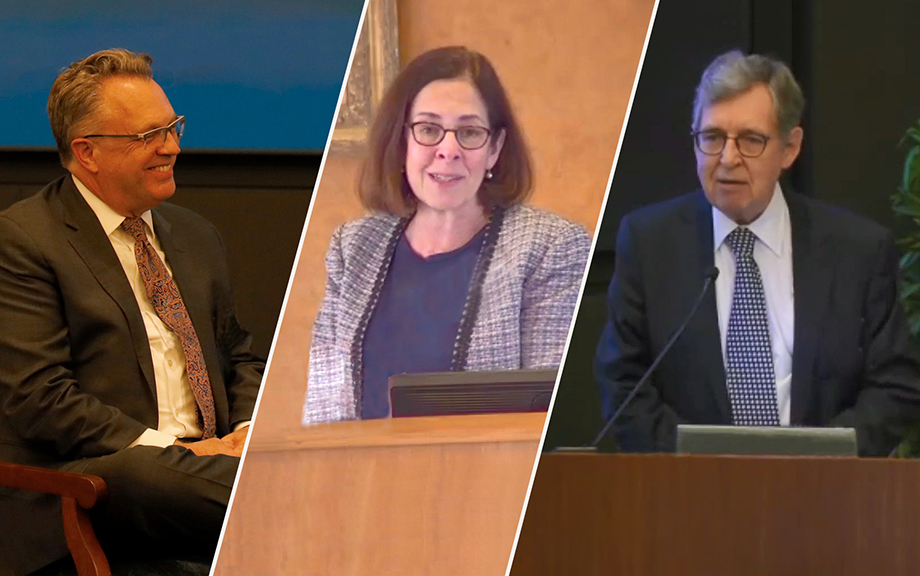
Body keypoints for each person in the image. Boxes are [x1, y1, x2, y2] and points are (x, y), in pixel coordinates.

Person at [0, 49, 263, 575]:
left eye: (173, 127)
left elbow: (238, 356)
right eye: (149, 135)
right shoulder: (24, 240)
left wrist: (247, 431)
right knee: (152, 473)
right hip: (102, 475)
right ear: (87, 152)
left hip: (204, 466)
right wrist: (177, 452)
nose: (172, 147)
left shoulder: (194, 234)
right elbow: (40, 398)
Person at [595, 50, 920, 456]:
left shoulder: (858, 250)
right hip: (688, 486)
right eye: (712, 137)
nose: (727, 159)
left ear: (790, 148)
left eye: (751, 140)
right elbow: (623, 382)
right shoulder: (649, 243)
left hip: (825, 485)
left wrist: (816, 462)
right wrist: (700, 469)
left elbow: (894, 385)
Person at [302, 46, 590, 424]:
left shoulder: (551, 247)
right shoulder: (353, 247)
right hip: (360, 462)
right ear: (400, 142)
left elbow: (548, 416)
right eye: (428, 129)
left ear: (494, 148)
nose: (448, 150)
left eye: (469, 132)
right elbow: (323, 411)